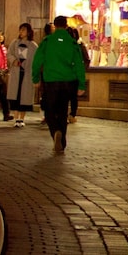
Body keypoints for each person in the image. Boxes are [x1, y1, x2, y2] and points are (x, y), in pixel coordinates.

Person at [32, 16, 88, 153]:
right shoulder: (72, 43)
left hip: (51, 81)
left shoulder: (47, 41)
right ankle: (61, 143)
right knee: (63, 112)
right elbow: (79, 65)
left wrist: (35, 78)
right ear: (66, 25)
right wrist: (81, 85)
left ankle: (55, 132)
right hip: (67, 82)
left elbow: (37, 61)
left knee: (50, 110)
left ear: (55, 26)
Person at [6, 23, 39, 128]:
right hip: (16, 73)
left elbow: (36, 61)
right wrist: (13, 60)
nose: (21, 32)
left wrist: (36, 76)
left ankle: (22, 118)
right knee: (16, 96)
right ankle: (16, 118)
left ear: (29, 32)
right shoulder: (14, 43)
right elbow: (9, 54)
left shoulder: (33, 45)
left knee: (24, 97)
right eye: (20, 30)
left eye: (23, 30)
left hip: (27, 74)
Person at [65, 26, 90, 123]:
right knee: (70, 97)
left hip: (71, 77)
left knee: (72, 97)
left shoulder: (79, 46)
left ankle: (71, 114)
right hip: (70, 76)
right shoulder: (75, 46)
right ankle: (70, 114)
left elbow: (85, 61)